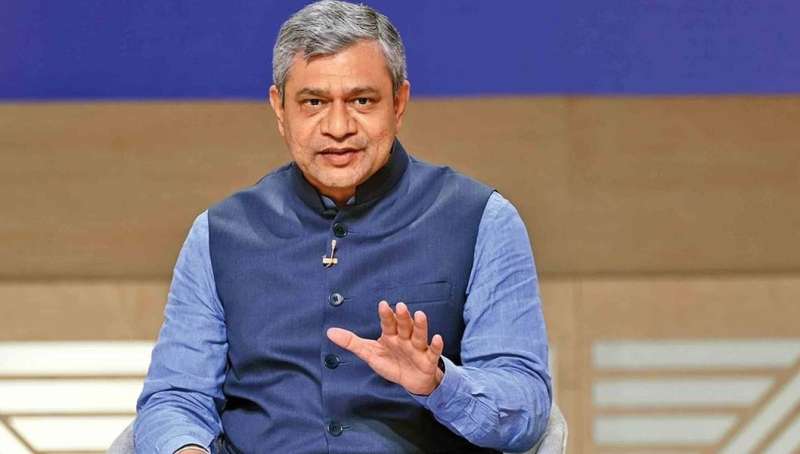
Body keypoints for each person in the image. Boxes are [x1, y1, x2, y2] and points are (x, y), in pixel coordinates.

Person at [134, 1, 551, 453]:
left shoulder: (482, 219)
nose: (337, 127)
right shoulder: (218, 234)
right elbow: (176, 398)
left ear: (399, 103)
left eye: (362, 101)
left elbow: (525, 407)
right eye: (313, 102)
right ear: (279, 108)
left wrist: (438, 384)